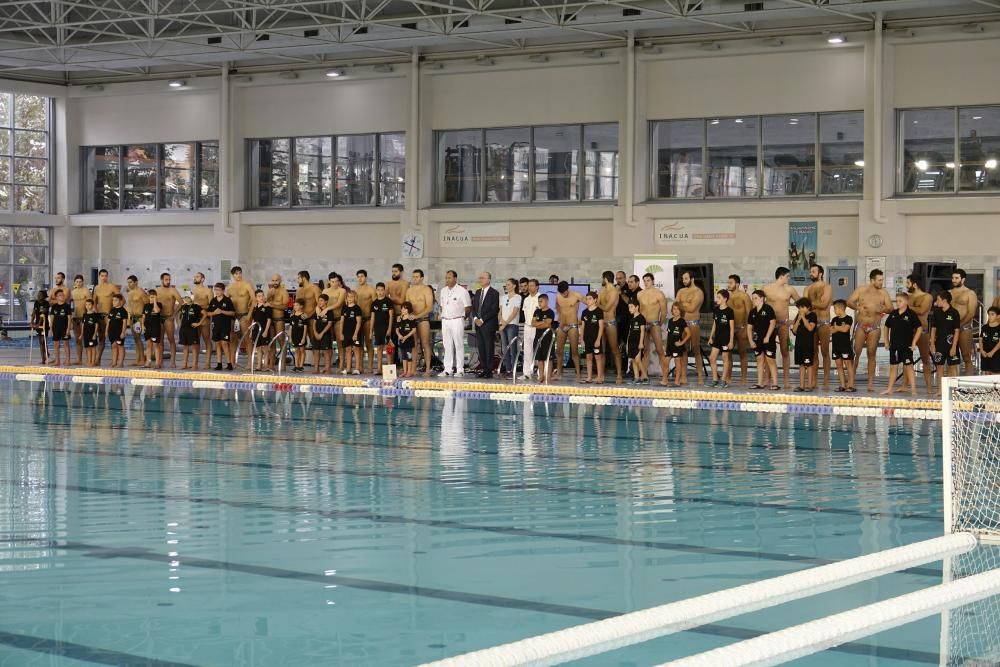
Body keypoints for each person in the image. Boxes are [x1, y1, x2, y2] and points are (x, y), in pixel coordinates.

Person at [847, 269, 893, 392]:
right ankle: (851, 381)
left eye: (882, 280)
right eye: (879, 280)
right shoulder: (861, 290)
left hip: (874, 327)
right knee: (856, 352)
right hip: (861, 325)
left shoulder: (883, 293)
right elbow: (849, 301)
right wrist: (858, 308)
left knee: (871, 354)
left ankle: (870, 383)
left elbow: (890, 308)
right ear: (872, 280)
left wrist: (883, 309)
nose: (881, 282)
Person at [762, 267, 800, 390]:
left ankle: (786, 380)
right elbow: (757, 304)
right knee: (769, 352)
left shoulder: (789, 290)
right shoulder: (767, 289)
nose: (788, 278)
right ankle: (767, 379)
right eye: (787, 276)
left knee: (784, 351)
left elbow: (803, 305)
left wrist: (794, 321)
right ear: (781, 276)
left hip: (783, 324)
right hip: (769, 324)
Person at [882, 292, 922, 397]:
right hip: (894, 346)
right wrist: (886, 341)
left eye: (900, 301)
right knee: (893, 367)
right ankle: (889, 389)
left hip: (906, 346)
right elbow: (886, 327)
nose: (898, 303)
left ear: (906, 302)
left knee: (909, 367)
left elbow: (919, 328)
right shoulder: (893, 313)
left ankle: (913, 389)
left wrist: (914, 342)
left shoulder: (911, 314)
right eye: (897, 301)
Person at [805, 264, 834, 390]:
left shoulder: (827, 287)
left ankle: (826, 380)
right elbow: (805, 307)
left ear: (820, 273)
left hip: (824, 322)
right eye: (810, 271)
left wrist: (812, 304)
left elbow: (824, 304)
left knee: (825, 352)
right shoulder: (807, 288)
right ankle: (814, 381)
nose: (811, 273)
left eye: (813, 271)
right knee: (813, 353)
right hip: (812, 323)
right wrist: (816, 304)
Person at [905, 275, 934, 395]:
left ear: (914, 284)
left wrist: (907, 306)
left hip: (922, 330)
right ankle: (904, 385)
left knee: (925, 359)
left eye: (908, 283)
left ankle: (929, 387)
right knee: (906, 359)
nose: (906, 285)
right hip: (908, 330)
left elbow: (922, 310)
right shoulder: (908, 297)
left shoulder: (927, 296)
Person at [439, 270, 471, 377]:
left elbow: (468, 307)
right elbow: (442, 305)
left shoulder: (462, 291)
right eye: (446, 278)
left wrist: (462, 318)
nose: (447, 280)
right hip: (445, 320)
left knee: (459, 344)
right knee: (447, 345)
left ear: (455, 278)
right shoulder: (443, 290)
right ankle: (448, 369)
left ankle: (460, 369)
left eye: (449, 277)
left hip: (457, 319)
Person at [637, 273, 669, 381]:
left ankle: (665, 375)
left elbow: (664, 311)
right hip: (643, 324)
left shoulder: (659, 294)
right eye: (644, 280)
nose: (646, 283)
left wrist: (660, 323)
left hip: (655, 323)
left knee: (660, 350)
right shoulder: (640, 294)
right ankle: (644, 375)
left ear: (653, 281)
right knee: (645, 350)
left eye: (648, 280)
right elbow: (639, 310)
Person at [675, 271, 705, 385]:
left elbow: (692, 308)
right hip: (682, 323)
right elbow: (676, 306)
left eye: (686, 278)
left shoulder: (698, 292)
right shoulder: (681, 291)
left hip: (693, 323)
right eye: (683, 279)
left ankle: (700, 377)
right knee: (683, 351)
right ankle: (683, 377)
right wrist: (684, 305)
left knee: (696, 350)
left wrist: (681, 305)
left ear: (692, 279)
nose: (684, 281)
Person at [930, 290, 961, 395]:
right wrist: (932, 344)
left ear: (945, 300)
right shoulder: (936, 312)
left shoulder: (954, 313)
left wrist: (954, 347)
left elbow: (957, 331)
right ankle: (940, 390)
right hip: (939, 344)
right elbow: (933, 329)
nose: (936, 301)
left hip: (951, 344)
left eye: (938, 300)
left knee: (952, 367)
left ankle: (954, 390)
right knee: (939, 367)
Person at [747, 289, 778, 390]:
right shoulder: (752, 312)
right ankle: (760, 382)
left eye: (756, 298)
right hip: (757, 340)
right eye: (753, 298)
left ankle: (775, 383)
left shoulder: (768, 309)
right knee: (759, 360)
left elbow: (772, 323)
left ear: (762, 299)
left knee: (770, 360)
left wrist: (768, 336)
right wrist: (751, 340)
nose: (753, 300)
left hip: (768, 340)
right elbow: (749, 327)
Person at [405, 269, 435, 376]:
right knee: (413, 345)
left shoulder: (426, 289)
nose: (415, 278)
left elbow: (429, 307)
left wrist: (417, 315)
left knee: (425, 343)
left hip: (423, 320)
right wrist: (405, 316)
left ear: (422, 278)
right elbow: (406, 306)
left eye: (417, 276)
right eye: (413, 276)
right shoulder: (409, 290)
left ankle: (427, 369)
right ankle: (412, 369)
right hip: (412, 319)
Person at [950, 268, 979, 376]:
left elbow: (971, 313)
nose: (954, 280)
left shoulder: (970, 293)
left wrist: (959, 326)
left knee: (966, 356)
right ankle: (952, 383)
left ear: (963, 279)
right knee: (951, 357)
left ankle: (968, 383)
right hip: (950, 328)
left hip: (964, 328)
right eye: (953, 278)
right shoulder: (948, 293)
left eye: (956, 278)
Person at [597, 271, 623, 383]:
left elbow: (607, 308)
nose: (602, 281)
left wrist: (594, 302)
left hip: (611, 322)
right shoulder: (602, 290)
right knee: (601, 350)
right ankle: (601, 375)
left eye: (602, 278)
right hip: (602, 322)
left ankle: (619, 375)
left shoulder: (614, 291)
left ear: (606, 279)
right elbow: (597, 304)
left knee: (615, 349)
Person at [726, 275, 752, 387]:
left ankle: (744, 379)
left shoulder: (744, 296)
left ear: (737, 284)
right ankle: (728, 378)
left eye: (730, 283)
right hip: (730, 329)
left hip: (741, 327)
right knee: (727, 354)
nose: (728, 285)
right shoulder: (726, 297)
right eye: (728, 282)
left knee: (742, 353)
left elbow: (749, 313)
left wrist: (747, 328)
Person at [553, 281, 582, 381]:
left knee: (574, 352)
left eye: (564, 293)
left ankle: (578, 375)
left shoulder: (576, 295)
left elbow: (590, 303)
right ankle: (559, 374)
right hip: (562, 325)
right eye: (561, 293)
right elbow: (557, 308)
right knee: (559, 351)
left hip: (573, 325)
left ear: (567, 289)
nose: (563, 295)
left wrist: (582, 319)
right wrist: (560, 320)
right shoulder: (558, 296)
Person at [227, 266, 255, 359]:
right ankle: (232, 361)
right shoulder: (230, 287)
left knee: (247, 339)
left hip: (244, 315)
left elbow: (254, 300)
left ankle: (249, 362)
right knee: (233, 339)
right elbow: (226, 302)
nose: (238, 275)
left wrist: (250, 315)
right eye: (236, 274)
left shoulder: (247, 284)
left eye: (239, 273)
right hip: (234, 316)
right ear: (232, 275)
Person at [708, 289, 734, 388]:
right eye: (717, 297)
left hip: (726, 338)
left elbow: (731, 327)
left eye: (719, 297)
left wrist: (731, 341)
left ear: (725, 299)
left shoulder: (729, 311)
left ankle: (723, 380)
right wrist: (710, 337)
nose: (717, 299)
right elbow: (714, 324)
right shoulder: (716, 310)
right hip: (717, 338)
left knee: (725, 358)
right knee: (712, 358)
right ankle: (715, 379)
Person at [207, 282, 235, 371]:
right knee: (217, 344)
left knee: (224, 343)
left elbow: (233, 312)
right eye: (215, 290)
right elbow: (208, 313)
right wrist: (214, 313)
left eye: (219, 290)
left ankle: (229, 363)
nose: (217, 292)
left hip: (225, 325)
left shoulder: (227, 300)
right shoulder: (213, 301)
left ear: (223, 291)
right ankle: (219, 363)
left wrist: (222, 311)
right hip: (215, 325)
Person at [792, 297, 817, 392]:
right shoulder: (798, 317)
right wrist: (798, 319)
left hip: (808, 344)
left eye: (802, 307)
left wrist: (803, 317)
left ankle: (809, 385)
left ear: (808, 307)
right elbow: (794, 331)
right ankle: (801, 385)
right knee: (801, 365)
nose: (800, 309)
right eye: (799, 307)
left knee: (809, 364)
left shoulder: (812, 315)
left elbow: (810, 328)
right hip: (799, 344)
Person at [831, 299, 856, 392]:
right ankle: (843, 385)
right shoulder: (834, 319)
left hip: (845, 346)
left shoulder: (848, 318)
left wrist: (836, 327)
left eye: (835, 308)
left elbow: (845, 330)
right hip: (836, 346)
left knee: (848, 365)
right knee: (839, 366)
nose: (834, 310)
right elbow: (831, 331)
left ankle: (851, 385)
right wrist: (840, 328)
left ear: (840, 308)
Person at [323, 273, 347, 370]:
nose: (335, 283)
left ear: (339, 281)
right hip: (328, 319)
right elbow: (321, 303)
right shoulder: (325, 290)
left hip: (338, 319)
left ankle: (341, 365)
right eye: (332, 282)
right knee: (327, 344)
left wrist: (327, 309)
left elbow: (339, 303)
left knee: (339, 343)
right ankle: (327, 366)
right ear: (329, 282)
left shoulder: (342, 290)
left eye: (336, 281)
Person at [499, 278, 522, 378]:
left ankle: (513, 369)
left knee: (512, 348)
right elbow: (500, 312)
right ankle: (508, 369)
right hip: (503, 324)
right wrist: (502, 322)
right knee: (505, 348)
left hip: (512, 324)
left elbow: (515, 312)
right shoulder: (503, 297)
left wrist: (506, 322)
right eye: (506, 285)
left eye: (508, 285)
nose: (507, 286)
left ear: (514, 286)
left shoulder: (517, 297)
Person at [92, 269, 116, 364]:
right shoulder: (97, 288)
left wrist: (114, 311)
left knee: (112, 338)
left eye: (105, 275)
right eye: (102, 276)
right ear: (99, 276)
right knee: (101, 338)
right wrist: (94, 311)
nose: (104, 277)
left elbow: (121, 300)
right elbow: (93, 302)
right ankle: (98, 359)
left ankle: (114, 360)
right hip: (99, 315)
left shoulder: (111, 287)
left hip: (109, 315)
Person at [355, 270, 377, 373]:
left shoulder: (371, 290)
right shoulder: (355, 291)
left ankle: (370, 366)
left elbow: (375, 307)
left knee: (368, 344)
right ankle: (360, 367)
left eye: (362, 276)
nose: (360, 278)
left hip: (368, 319)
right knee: (359, 344)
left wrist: (374, 322)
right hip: (358, 320)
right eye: (358, 277)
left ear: (366, 277)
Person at [532, 293, 556, 384]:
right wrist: (542, 323)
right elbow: (532, 323)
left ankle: (548, 376)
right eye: (538, 301)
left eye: (541, 301)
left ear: (546, 301)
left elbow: (548, 324)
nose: (539, 303)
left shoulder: (550, 312)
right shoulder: (537, 311)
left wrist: (539, 323)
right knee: (539, 357)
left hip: (547, 337)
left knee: (548, 358)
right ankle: (541, 375)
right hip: (538, 336)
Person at [371, 283, 394, 374]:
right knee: (379, 348)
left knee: (388, 348)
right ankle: (379, 369)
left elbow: (391, 316)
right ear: (376, 291)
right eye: (378, 290)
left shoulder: (388, 301)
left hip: (386, 328)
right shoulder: (374, 303)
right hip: (377, 328)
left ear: (384, 291)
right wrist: (371, 330)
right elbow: (372, 318)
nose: (380, 292)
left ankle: (389, 370)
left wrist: (389, 329)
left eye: (382, 290)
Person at [581, 291, 604, 384]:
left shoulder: (599, 311)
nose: (588, 300)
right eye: (587, 299)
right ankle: (589, 377)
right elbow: (582, 327)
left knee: (598, 358)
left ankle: (599, 377)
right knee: (588, 357)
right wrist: (582, 339)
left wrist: (598, 339)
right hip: (587, 338)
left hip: (595, 338)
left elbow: (601, 327)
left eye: (590, 298)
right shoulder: (584, 312)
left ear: (595, 300)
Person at [178, 294, 206, 370]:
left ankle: (194, 364)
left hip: (192, 329)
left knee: (194, 347)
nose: (186, 299)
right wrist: (179, 323)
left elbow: (205, 313)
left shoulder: (196, 306)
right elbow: (180, 315)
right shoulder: (183, 306)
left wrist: (199, 323)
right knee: (185, 347)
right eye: (185, 297)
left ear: (191, 298)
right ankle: (184, 364)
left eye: (187, 297)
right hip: (184, 329)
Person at [665, 302, 690, 387]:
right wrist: (666, 346)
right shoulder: (670, 321)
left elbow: (689, 333)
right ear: (672, 310)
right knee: (665, 362)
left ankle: (677, 381)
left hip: (677, 346)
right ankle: (664, 380)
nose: (675, 311)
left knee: (677, 362)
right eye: (674, 309)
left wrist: (681, 343)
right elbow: (669, 334)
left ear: (680, 311)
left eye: (677, 309)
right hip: (670, 346)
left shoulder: (682, 321)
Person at [520, 279, 541, 380]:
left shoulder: (540, 298)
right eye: (529, 285)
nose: (530, 287)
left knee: (539, 349)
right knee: (527, 350)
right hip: (527, 326)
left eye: (532, 285)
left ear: (537, 287)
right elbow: (525, 313)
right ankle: (527, 372)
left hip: (537, 327)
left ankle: (540, 372)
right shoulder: (526, 299)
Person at [126, 275, 148, 367]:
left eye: (131, 282)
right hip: (133, 318)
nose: (129, 284)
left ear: (136, 282)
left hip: (139, 318)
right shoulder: (130, 293)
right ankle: (137, 359)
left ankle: (142, 359)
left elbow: (147, 306)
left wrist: (144, 320)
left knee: (138, 339)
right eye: (128, 282)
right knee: (135, 339)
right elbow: (130, 307)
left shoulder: (141, 292)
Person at [192, 272, 214, 362]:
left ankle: (207, 362)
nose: (195, 278)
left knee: (206, 339)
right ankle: (194, 362)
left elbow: (212, 306)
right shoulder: (192, 291)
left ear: (203, 279)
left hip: (205, 317)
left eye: (197, 277)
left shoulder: (208, 291)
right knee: (195, 341)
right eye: (194, 276)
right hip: (194, 317)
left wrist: (200, 306)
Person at [250, 289, 273, 372]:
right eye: (259, 296)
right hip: (256, 330)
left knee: (265, 348)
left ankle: (266, 365)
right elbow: (253, 320)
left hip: (263, 329)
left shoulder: (267, 307)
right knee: (258, 348)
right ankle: (259, 365)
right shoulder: (255, 307)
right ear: (256, 298)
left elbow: (269, 320)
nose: (261, 298)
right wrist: (251, 332)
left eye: (262, 295)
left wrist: (266, 331)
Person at [341, 290, 363, 375]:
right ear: (346, 298)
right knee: (347, 350)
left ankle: (357, 368)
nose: (350, 298)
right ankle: (348, 368)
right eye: (348, 297)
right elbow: (342, 322)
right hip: (346, 332)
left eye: (351, 296)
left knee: (356, 349)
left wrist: (355, 333)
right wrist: (341, 333)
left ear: (355, 298)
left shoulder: (357, 308)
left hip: (355, 332)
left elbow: (359, 322)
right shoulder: (344, 308)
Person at [70, 274, 90, 366]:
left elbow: (90, 304)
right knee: (77, 339)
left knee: (86, 338)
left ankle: (88, 359)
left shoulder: (86, 291)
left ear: (83, 282)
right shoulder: (73, 292)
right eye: (77, 281)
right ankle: (79, 359)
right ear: (75, 282)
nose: (78, 283)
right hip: (75, 318)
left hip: (84, 317)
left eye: (80, 281)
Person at [49, 289, 72, 367]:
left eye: (63, 295)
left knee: (66, 344)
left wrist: (68, 329)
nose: (62, 296)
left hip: (64, 328)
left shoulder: (67, 306)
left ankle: (68, 360)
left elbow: (69, 319)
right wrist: (51, 328)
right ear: (56, 297)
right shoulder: (54, 307)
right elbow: (52, 319)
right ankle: (57, 361)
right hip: (56, 328)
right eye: (60, 295)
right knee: (56, 344)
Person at [312, 293, 334, 375]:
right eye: (319, 300)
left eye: (321, 301)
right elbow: (314, 323)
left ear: (326, 301)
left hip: (325, 334)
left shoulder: (329, 311)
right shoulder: (317, 311)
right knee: (316, 351)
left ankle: (328, 368)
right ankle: (316, 368)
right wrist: (315, 332)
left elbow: (329, 324)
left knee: (326, 352)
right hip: (316, 333)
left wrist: (321, 333)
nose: (319, 302)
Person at [626, 300, 647, 384]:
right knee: (633, 360)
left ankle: (645, 376)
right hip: (631, 342)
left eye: (631, 307)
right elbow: (630, 333)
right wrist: (627, 344)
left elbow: (642, 331)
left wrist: (641, 342)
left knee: (638, 360)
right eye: (629, 307)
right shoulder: (632, 320)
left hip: (637, 342)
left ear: (637, 307)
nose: (629, 309)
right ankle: (636, 377)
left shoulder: (641, 318)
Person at [105, 293, 129, 369]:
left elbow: (125, 323)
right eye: (113, 300)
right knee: (113, 346)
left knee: (120, 346)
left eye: (116, 300)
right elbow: (108, 321)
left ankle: (121, 362)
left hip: (119, 332)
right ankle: (114, 362)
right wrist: (106, 331)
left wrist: (123, 332)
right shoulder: (112, 310)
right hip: (112, 331)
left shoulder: (123, 311)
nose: (114, 302)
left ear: (121, 301)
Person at [143, 289, 163, 369]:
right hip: (147, 328)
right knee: (148, 345)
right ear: (148, 297)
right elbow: (144, 316)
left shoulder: (159, 304)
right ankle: (148, 361)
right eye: (150, 297)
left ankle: (157, 362)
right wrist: (142, 325)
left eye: (153, 297)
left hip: (155, 327)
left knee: (156, 345)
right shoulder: (146, 306)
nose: (151, 298)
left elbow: (157, 311)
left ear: (156, 297)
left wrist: (155, 301)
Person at [395, 302, 416, 378]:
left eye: (405, 308)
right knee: (403, 357)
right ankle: (405, 371)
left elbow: (414, 330)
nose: (403, 310)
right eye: (402, 308)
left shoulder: (411, 318)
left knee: (409, 356)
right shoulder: (399, 319)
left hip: (409, 340)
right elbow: (396, 329)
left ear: (409, 309)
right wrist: (400, 335)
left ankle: (409, 371)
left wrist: (406, 337)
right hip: (401, 340)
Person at [288, 299, 309, 373]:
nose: (295, 306)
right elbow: (290, 327)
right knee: (296, 350)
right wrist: (290, 337)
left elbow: (305, 328)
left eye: (296, 305)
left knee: (302, 350)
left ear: (301, 306)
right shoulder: (292, 316)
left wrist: (304, 338)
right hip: (294, 336)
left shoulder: (303, 316)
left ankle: (301, 366)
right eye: (294, 305)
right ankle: (296, 366)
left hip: (301, 336)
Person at [30, 289, 49, 364]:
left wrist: (38, 324)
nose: (38, 296)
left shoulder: (46, 303)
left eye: (40, 295)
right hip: (37, 323)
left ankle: (46, 353)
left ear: (44, 296)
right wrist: (31, 322)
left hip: (44, 324)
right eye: (38, 295)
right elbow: (34, 313)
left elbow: (42, 315)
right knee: (40, 342)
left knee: (43, 341)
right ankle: (43, 359)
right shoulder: (36, 303)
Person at [980, 307, 1000, 375]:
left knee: (995, 375)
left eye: (992, 314)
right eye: (989, 314)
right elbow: (981, 339)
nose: (990, 316)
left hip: (996, 356)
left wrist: (992, 352)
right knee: (986, 374)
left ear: (998, 316)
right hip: (985, 355)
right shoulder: (984, 327)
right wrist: (982, 350)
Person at [81, 299, 101, 367]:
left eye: (89, 304)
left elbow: (96, 325)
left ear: (92, 305)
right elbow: (83, 325)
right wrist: (81, 334)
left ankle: (93, 361)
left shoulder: (94, 315)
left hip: (92, 334)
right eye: (86, 304)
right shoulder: (84, 314)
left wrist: (95, 334)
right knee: (88, 348)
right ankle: (89, 361)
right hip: (86, 334)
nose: (87, 306)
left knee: (93, 348)